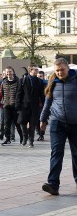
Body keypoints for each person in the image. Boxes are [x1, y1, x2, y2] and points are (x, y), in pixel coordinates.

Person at [40, 58, 77, 196]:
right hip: (57, 122)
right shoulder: (52, 82)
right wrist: (42, 120)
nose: (60, 72)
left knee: (76, 153)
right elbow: (47, 102)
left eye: (62, 69)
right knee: (56, 152)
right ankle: (53, 184)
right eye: (57, 70)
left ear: (68, 68)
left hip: (75, 123)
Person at [16, 65, 45, 148]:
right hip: (24, 105)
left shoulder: (39, 81)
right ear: (31, 71)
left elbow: (42, 95)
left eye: (37, 70)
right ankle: (25, 137)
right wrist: (17, 105)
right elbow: (19, 93)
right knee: (22, 123)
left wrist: (44, 104)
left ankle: (31, 141)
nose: (37, 71)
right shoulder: (22, 80)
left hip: (34, 106)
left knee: (32, 124)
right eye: (35, 70)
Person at [0, 66, 23, 146]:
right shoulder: (4, 82)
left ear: (13, 72)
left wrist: (18, 104)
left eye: (10, 71)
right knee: (7, 123)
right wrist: (3, 101)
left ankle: (22, 138)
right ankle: (7, 139)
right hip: (6, 105)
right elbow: (1, 92)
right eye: (7, 72)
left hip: (15, 105)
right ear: (5, 73)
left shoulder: (18, 81)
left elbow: (20, 93)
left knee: (18, 123)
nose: (9, 73)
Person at [36, 70, 48, 141]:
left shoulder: (46, 84)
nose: (39, 78)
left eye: (40, 76)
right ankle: (38, 131)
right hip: (36, 104)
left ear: (43, 77)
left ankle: (41, 134)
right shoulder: (35, 84)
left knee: (43, 120)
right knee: (37, 120)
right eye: (38, 76)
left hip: (44, 104)